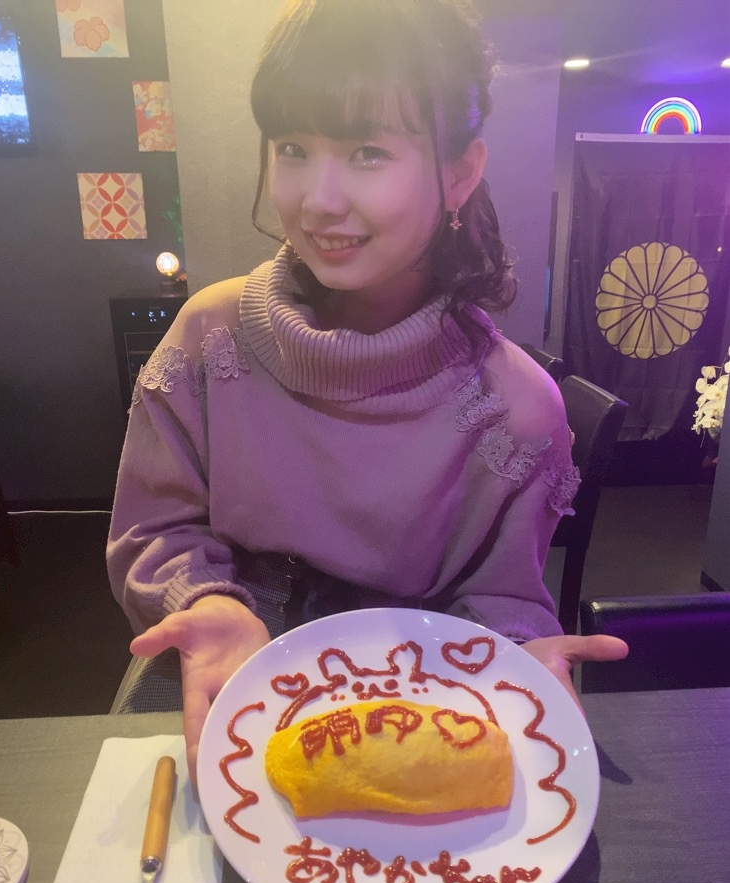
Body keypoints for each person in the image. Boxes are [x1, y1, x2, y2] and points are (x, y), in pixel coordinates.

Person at [107, 0, 627, 782]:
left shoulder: (515, 410)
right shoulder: (209, 337)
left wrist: (519, 661)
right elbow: (155, 527)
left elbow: (502, 600)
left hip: (406, 701)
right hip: (220, 676)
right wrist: (207, 603)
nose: (319, 199)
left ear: (461, 173)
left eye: (368, 152)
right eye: (293, 147)